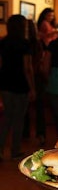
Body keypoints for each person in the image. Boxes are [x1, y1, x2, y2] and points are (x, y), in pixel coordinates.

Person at [0, 15, 36, 160]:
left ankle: (0, 150)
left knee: (7, 117)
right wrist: (32, 87)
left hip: (5, 83)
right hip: (21, 83)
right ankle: (15, 150)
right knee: (18, 118)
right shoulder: (24, 44)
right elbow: (27, 67)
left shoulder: (2, 42)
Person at [22, 20, 47, 145]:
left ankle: (24, 133)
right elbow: (40, 61)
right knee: (39, 108)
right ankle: (40, 134)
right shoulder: (38, 43)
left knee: (24, 108)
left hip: (21, 78)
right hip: (37, 77)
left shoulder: (22, 44)